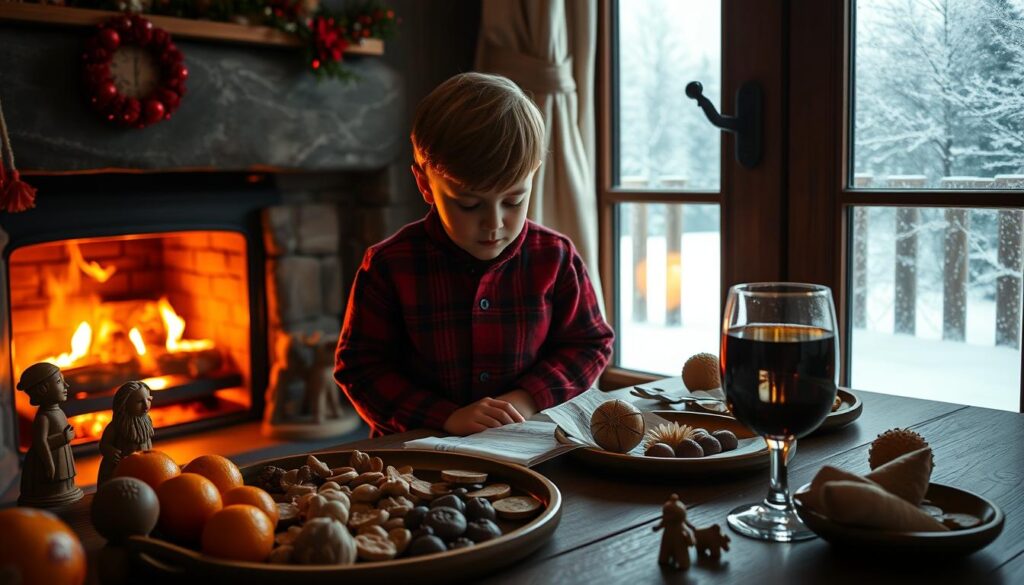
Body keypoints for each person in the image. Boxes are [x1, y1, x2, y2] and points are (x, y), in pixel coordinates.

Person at [335, 72, 614, 437]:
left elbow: (589, 343)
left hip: (530, 446)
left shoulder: (555, 257)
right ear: (425, 185)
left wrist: (526, 398)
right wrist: (445, 417)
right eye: (469, 204)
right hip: (418, 461)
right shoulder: (390, 265)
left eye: (514, 200)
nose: (494, 223)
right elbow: (360, 368)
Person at [17, 362, 83, 506]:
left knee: (64, 480)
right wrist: (49, 465)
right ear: (42, 389)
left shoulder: (58, 412)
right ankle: (54, 493)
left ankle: (66, 489)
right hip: (52, 460)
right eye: (59, 381)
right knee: (54, 484)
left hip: (62, 456)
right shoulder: (43, 418)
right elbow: (40, 443)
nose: (67, 386)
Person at [97, 380, 155, 484]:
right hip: (120, 467)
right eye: (139, 402)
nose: (146, 406)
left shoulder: (147, 421)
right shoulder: (116, 426)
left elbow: (148, 441)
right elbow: (104, 445)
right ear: (124, 403)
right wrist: (110, 451)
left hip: (143, 465)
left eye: (148, 400)